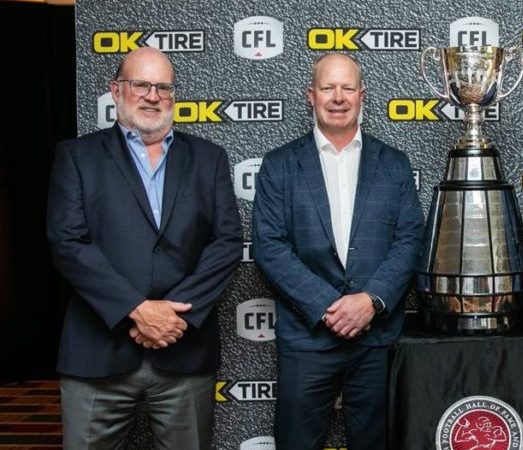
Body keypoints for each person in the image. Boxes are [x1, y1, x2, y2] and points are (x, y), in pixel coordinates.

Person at [46, 47, 242, 450]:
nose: (153, 96)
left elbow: (226, 243)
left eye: (163, 87)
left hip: (183, 349)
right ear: (116, 90)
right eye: (141, 85)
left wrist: (173, 317)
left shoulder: (209, 158)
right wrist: (137, 309)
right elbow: (67, 242)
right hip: (97, 354)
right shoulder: (77, 156)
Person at [252, 53, 424, 450]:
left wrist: (370, 301)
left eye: (347, 88)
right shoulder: (279, 165)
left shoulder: (394, 164)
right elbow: (270, 245)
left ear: (362, 96)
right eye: (328, 87)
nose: (338, 97)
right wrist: (331, 307)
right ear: (310, 96)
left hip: (376, 340)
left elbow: (409, 240)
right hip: (308, 338)